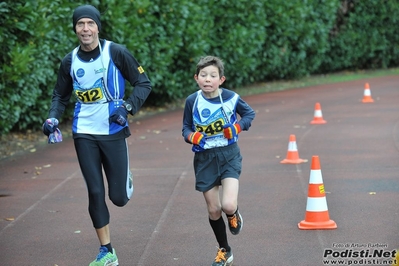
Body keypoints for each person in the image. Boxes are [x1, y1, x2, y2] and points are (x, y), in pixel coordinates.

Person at [42, 5, 152, 266]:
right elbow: (60, 95)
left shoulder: (116, 52)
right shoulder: (69, 61)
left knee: (119, 199)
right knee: (94, 191)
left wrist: (127, 108)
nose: (85, 29)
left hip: (113, 130)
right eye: (80, 24)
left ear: (98, 27)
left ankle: (123, 177)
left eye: (90, 23)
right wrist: (53, 117)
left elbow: (144, 83)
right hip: (84, 132)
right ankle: (107, 251)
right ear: (75, 29)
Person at [182, 56, 255, 266]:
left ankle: (234, 214)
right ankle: (225, 250)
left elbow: (249, 114)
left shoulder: (231, 98)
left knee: (228, 204)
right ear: (196, 78)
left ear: (221, 79)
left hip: (228, 154)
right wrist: (191, 136)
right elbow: (186, 128)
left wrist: (236, 128)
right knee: (214, 210)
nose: (207, 79)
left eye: (213, 76)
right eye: (203, 75)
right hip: (204, 159)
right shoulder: (192, 101)